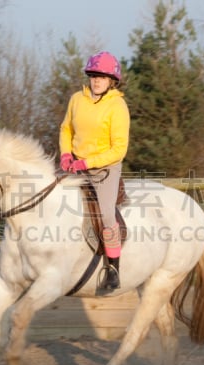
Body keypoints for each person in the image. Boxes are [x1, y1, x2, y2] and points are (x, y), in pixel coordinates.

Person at [59, 51, 130, 290]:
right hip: (75, 163)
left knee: (107, 216)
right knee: (48, 194)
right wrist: (66, 153)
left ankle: (113, 269)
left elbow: (119, 149)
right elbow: (66, 128)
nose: (97, 80)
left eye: (102, 76)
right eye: (93, 75)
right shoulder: (77, 99)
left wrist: (87, 164)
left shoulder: (117, 106)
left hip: (104, 170)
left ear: (112, 81)